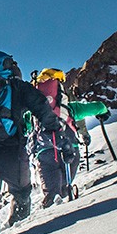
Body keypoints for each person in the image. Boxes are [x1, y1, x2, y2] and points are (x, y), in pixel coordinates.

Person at [0, 51, 61, 234]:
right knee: (22, 193)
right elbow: (41, 105)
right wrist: (53, 126)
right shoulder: (16, 86)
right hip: (12, 152)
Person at [31, 68, 81, 206]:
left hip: (44, 152)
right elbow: (97, 107)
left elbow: (26, 126)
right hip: (70, 148)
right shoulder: (67, 107)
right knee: (65, 189)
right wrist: (103, 111)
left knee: (51, 193)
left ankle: (50, 207)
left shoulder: (34, 107)